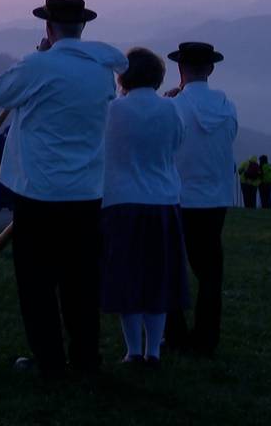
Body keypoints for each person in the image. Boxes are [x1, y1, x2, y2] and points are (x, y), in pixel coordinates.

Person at [0, 0, 128, 378]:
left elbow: (1, 92)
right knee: (82, 283)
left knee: (36, 284)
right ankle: (86, 361)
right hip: (87, 192)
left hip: (38, 192)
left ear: (48, 28)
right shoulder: (101, 68)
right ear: (82, 27)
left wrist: (39, 53)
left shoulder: (38, 65)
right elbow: (122, 58)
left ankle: (49, 362)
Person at [100, 48, 189, 368]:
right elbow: (177, 143)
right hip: (163, 199)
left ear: (123, 75)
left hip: (120, 201)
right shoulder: (171, 110)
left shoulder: (112, 110)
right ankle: (154, 351)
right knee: (158, 277)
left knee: (127, 276)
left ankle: (133, 350)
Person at [163, 42, 238, 358]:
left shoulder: (174, 107)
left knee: (169, 268)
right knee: (210, 272)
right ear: (210, 69)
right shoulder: (227, 106)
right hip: (216, 198)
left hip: (178, 196)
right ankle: (207, 338)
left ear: (180, 69)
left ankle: (175, 334)